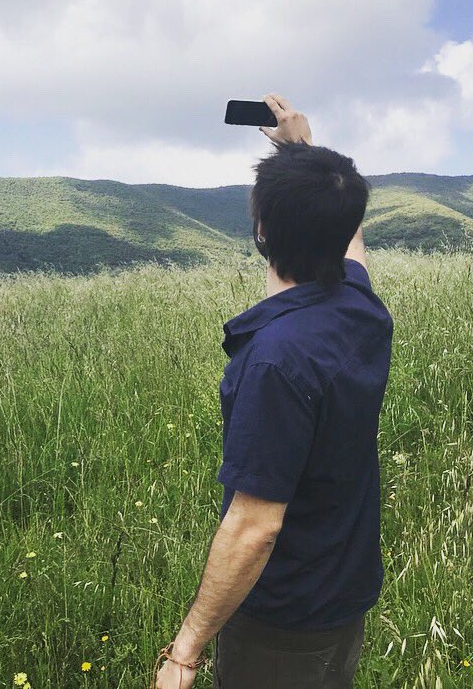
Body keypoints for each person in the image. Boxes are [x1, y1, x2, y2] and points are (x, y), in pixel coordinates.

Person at [155, 95, 394, 689]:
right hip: (342, 589)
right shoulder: (361, 308)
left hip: (284, 618)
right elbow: (350, 245)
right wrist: (306, 154)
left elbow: (256, 524)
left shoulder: (276, 360)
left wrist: (184, 653)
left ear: (261, 231)